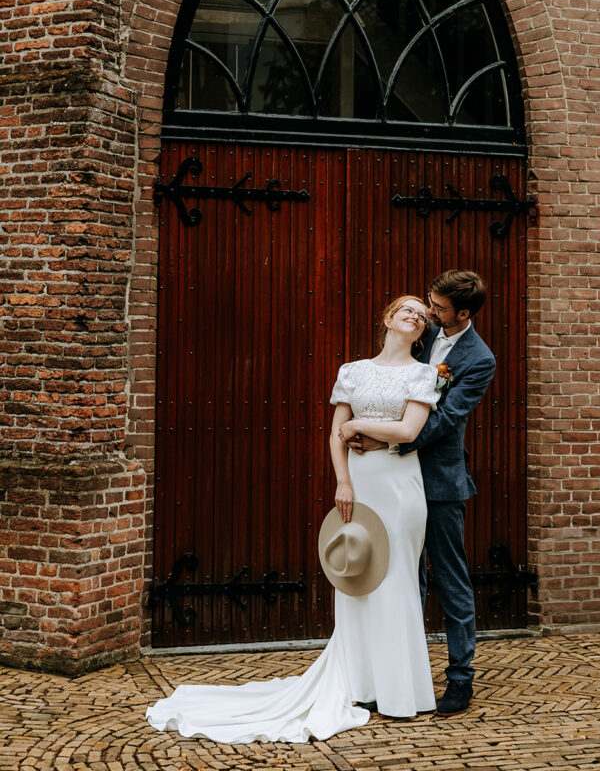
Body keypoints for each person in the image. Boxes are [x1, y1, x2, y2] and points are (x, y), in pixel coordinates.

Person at [146, 295, 440, 743]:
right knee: (357, 580)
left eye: (422, 316)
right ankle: (360, 686)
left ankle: (402, 692)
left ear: (422, 331)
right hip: (359, 483)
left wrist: (357, 427)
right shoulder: (353, 371)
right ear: (388, 318)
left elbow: (407, 432)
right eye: (408, 310)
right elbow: (334, 434)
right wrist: (343, 481)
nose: (416, 317)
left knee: (396, 579)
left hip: (400, 486)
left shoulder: (423, 374)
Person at [347, 270, 496, 715]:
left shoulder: (478, 358)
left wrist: (390, 441)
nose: (429, 313)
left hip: (439, 480)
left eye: (439, 308)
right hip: (392, 481)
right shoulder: (423, 332)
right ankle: (397, 678)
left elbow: (448, 418)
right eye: (429, 303)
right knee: (401, 579)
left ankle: (460, 680)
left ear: (463, 313)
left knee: (450, 579)